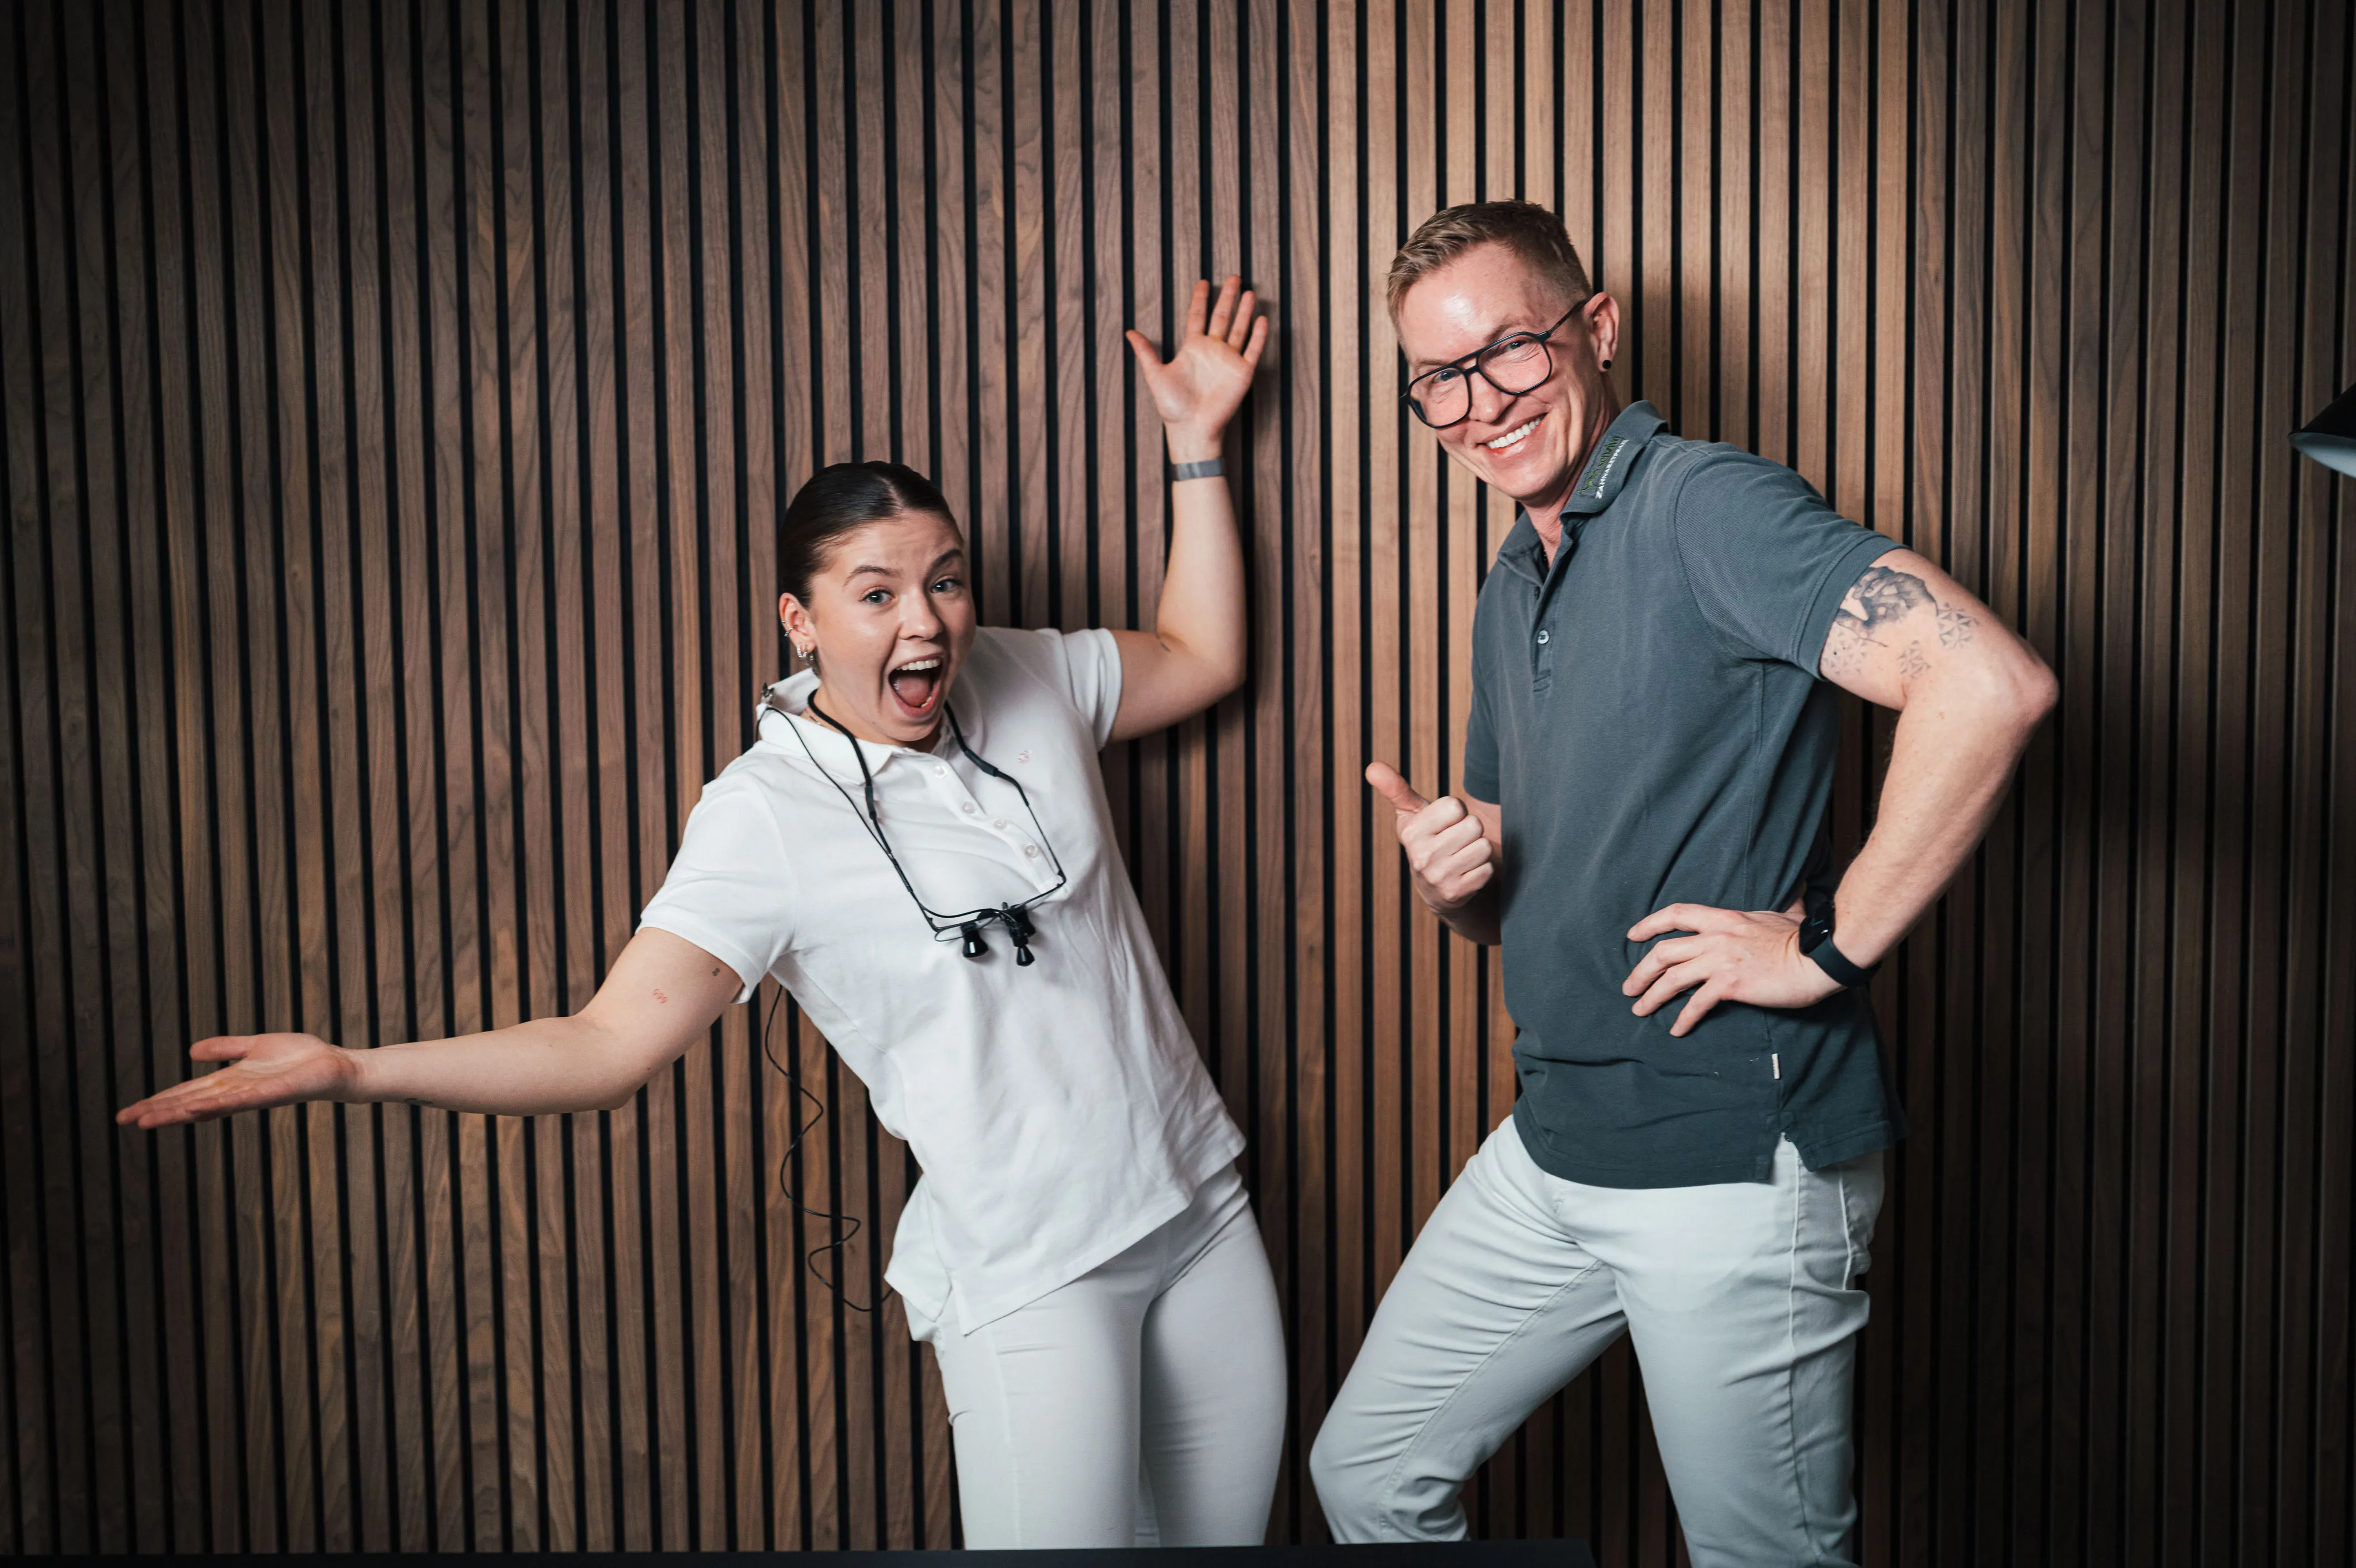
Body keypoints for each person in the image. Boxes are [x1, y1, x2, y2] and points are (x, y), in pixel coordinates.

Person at [118, 277, 1286, 1550]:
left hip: (1199, 1208)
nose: (926, 619)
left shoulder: (1021, 668)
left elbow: (1202, 654)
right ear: (800, 619)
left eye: (944, 582)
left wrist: (1194, 449)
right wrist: (352, 1069)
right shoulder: (762, 815)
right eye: (876, 591)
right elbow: (605, 1045)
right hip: (1035, 1275)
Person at [1309, 202, 2056, 1563]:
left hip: (1734, 1163)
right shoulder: (1510, 574)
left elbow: (1987, 683)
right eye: (1437, 379)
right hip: (1560, 1142)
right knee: (1367, 1473)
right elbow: (1513, 877)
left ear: (1595, 332)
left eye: (1512, 353)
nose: (1478, 406)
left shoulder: (1702, 504)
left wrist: (1824, 947)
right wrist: (1451, 877)